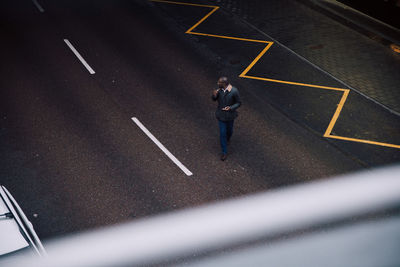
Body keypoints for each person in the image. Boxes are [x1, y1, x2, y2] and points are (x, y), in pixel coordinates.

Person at [212, 77, 241, 161]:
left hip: (230, 116)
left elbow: (239, 102)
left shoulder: (234, 91)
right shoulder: (219, 91)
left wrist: (231, 108)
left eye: (219, 82)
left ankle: (228, 139)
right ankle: (224, 152)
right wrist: (214, 95)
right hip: (221, 115)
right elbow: (214, 99)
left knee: (230, 130)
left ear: (224, 84)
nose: (218, 83)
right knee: (222, 133)